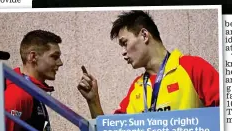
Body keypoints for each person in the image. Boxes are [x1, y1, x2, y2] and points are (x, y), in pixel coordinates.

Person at [77, 10, 219, 119]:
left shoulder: (193, 67)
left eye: (125, 43)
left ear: (144, 35)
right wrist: (93, 101)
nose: (123, 52)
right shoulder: (136, 88)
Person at [5, 30, 63, 131]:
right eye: (54, 56)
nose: (60, 63)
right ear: (33, 57)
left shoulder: (33, 90)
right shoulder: (18, 93)